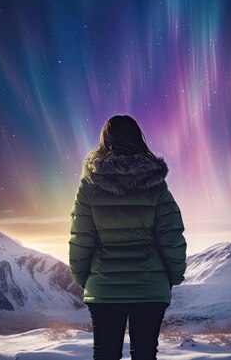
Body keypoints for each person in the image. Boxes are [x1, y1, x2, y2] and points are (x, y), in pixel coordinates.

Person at [69, 114, 187, 360]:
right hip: (150, 289)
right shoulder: (157, 187)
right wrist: (173, 277)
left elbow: (81, 238)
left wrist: (84, 279)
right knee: (145, 354)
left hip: (104, 288)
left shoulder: (88, 187)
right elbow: (171, 237)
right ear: (138, 140)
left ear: (104, 141)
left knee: (105, 354)